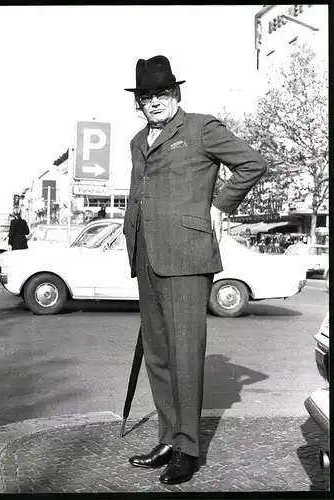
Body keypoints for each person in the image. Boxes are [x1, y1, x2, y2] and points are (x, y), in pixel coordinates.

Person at [123, 55, 267, 485]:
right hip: (145, 255)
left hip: (186, 255)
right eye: (146, 95)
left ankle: (188, 450)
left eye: (161, 93)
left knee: (185, 356)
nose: (154, 101)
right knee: (160, 356)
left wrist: (221, 206)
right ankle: (169, 438)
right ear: (138, 102)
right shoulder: (136, 141)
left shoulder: (202, 128)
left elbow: (253, 163)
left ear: (176, 94)